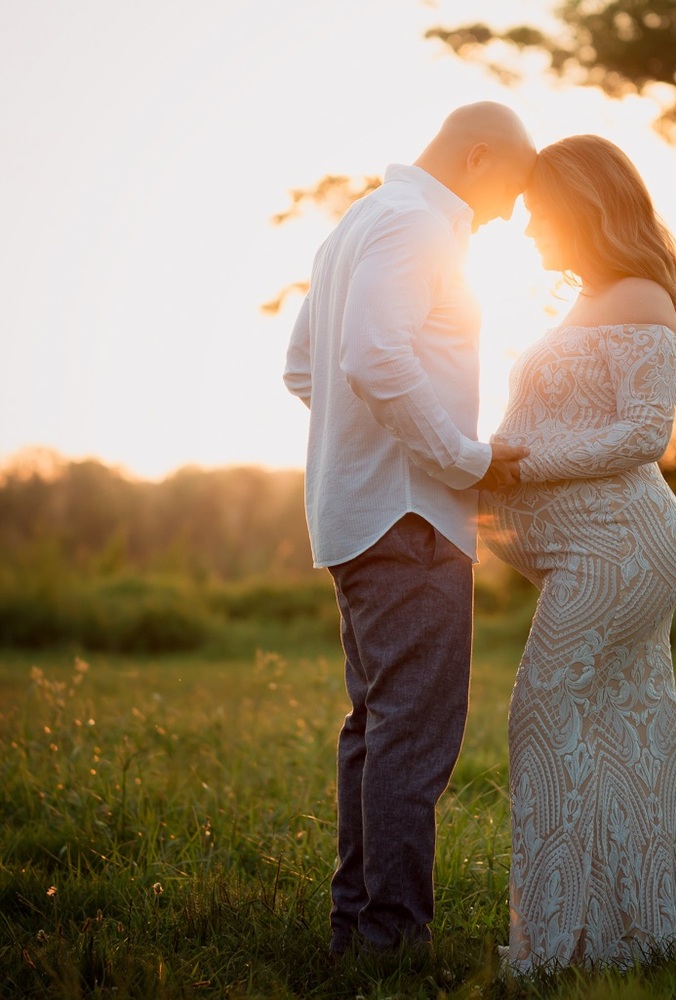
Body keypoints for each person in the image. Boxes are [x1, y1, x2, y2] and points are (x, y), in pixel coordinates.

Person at [283, 103, 535, 959]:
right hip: (409, 519)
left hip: (359, 512)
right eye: (511, 189)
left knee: (376, 729)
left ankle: (360, 932)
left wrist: (366, 446)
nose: (511, 214)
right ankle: (390, 939)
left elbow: (303, 366)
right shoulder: (420, 227)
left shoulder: (358, 222)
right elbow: (371, 359)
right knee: (412, 737)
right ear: (475, 156)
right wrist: (460, 458)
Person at [479, 134, 676, 971]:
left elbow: (646, 431)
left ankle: (556, 948)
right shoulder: (587, 298)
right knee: (621, 731)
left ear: (584, 205)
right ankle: (641, 935)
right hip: (597, 547)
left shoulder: (641, 294)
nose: (531, 232)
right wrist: (481, 462)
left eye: (540, 214)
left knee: (542, 712)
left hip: (625, 548)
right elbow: (553, 421)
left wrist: (515, 468)